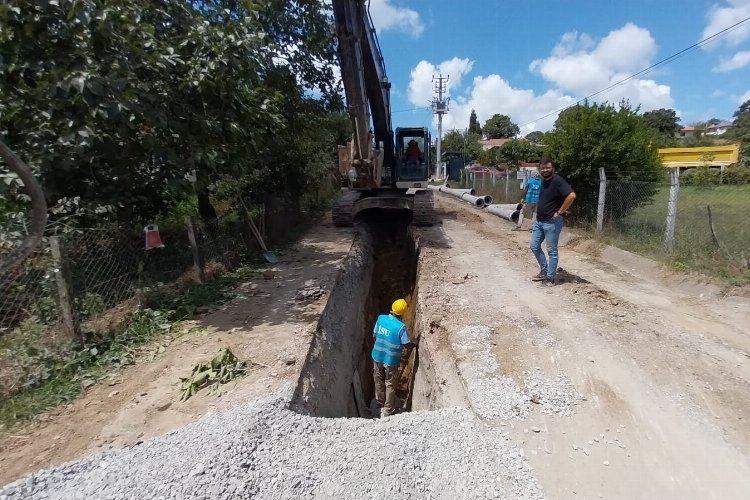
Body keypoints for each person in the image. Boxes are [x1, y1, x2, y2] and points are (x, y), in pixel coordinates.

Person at [529, 159, 576, 287]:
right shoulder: (544, 182)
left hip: (552, 222)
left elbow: (571, 195)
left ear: (553, 168)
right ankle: (545, 271)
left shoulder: (557, 180)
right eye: (542, 168)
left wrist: (560, 212)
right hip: (540, 221)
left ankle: (550, 279)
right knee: (534, 245)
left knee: (552, 251)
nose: (544, 170)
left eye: (547, 168)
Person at [371, 298, 415, 417]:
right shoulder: (400, 327)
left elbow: (374, 335)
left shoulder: (381, 318)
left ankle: (380, 402)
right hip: (391, 361)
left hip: (377, 356)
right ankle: (388, 409)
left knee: (378, 379)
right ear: (403, 312)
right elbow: (406, 344)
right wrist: (413, 343)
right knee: (390, 384)